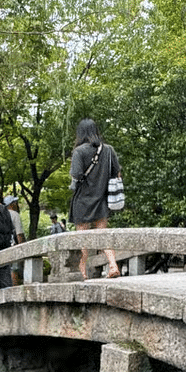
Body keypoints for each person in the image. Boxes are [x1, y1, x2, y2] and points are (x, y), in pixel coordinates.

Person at [68, 118, 121, 280]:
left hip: (83, 200)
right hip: (101, 198)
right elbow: (116, 172)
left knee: (82, 238)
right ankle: (113, 265)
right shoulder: (108, 150)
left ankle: (82, 272)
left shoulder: (79, 151)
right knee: (103, 234)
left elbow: (76, 174)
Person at [4, 194, 26, 285]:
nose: (16, 204)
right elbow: (19, 233)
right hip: (12, 245)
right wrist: (22, 248)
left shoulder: (1, 214)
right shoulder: (14, 214)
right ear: (11, 204)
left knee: (0, 269)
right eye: (15, 202)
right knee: (14, 269)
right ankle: (14, 290)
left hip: (1, 246)